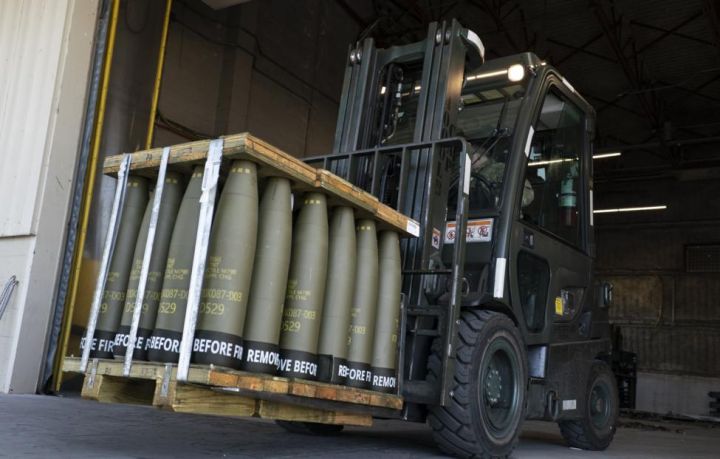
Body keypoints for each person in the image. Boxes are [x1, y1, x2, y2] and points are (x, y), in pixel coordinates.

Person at [469, 143, 534, 208]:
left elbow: (527, 193)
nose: (467, 160)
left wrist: (497, 201)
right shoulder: (468, 174)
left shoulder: (500, 169)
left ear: (478, 156)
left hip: (496, 213)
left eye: (470, 156)